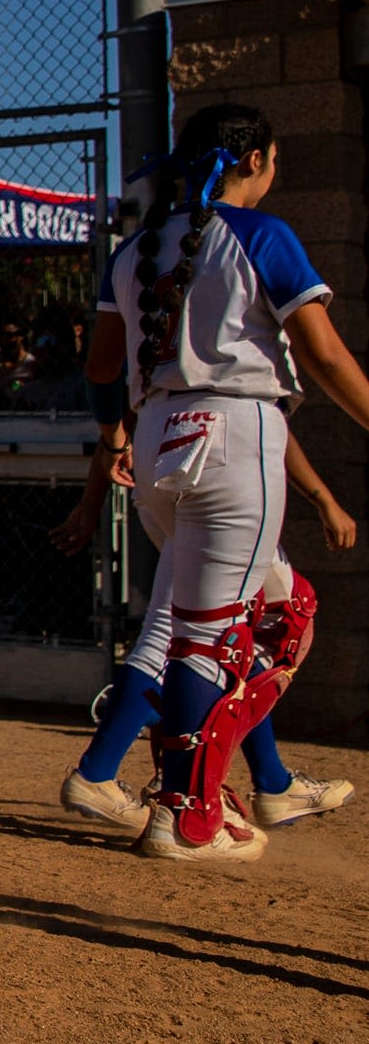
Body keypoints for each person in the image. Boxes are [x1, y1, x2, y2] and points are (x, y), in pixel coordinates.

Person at [58, 103, 369, 860]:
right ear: (255, 159)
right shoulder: (261, 235)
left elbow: (100, 368)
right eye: (271, 160)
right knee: (239, 630)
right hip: (234, 437)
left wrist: (112, 439)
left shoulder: (131, 252)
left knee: (226, 621)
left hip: (160, 441)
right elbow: (322, 356)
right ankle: (187, 811)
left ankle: (247, 785)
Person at [55, 423, 354, 832]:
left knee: (205, 632)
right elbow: (271, 416)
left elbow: (110, 386)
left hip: (161, 464)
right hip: (220, 470)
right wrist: (323, 498)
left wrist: (97, 489)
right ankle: (174, 779)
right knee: (282, 621)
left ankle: (265, 780)